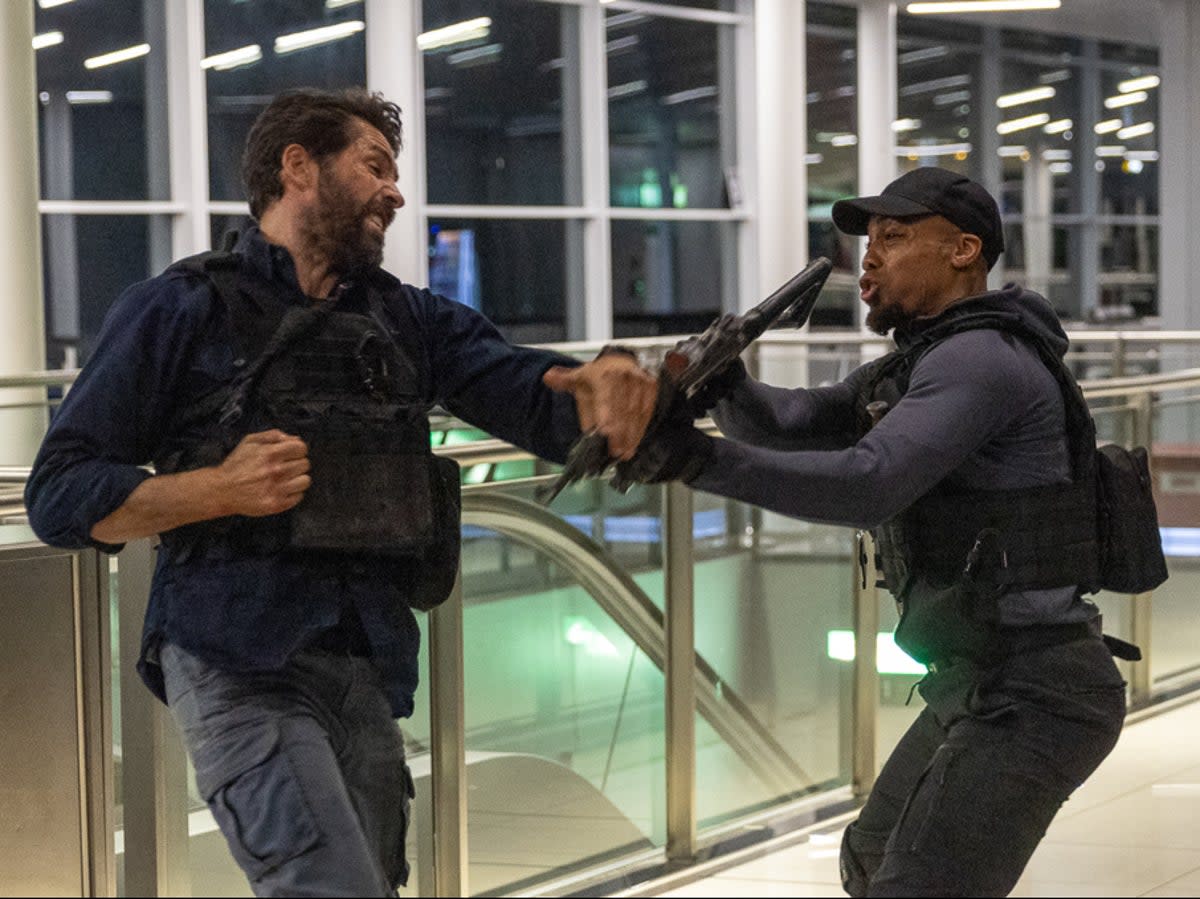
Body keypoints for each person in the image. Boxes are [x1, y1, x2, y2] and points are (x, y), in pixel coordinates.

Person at [24, 87, 660, 897]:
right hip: (236, 657)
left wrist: (607, 389)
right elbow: (61, 492)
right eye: (375, 166)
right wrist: (216, 488)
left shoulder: (407, 321)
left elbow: (533, 392)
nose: (396, 191)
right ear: (298, 167)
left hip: (366, 664)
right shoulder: (182, 308)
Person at [601, 167, 1131, 896]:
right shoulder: (922, 359)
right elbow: (795, 423)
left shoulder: (982, 361)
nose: (868, 258)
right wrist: (728, 385)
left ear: (963, 251)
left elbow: (867, 482)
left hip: (1039, 692)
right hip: (977, 677)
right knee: (871, 858)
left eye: (895, 236)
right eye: (866, 240)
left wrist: (696, 458)